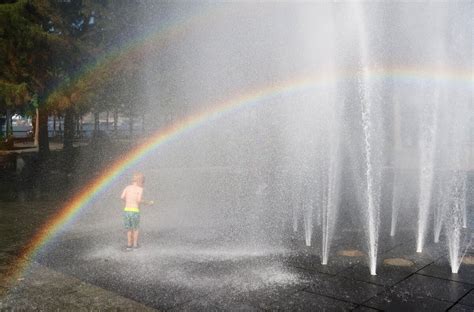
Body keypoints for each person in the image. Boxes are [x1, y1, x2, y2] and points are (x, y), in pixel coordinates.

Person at [121, 172, 153, 250]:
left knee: (129, 229)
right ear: (140, 181)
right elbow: (138, 200)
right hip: (135, 211)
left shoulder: (127, 187)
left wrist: (127, 202)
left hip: (126, 211)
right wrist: (148, 203)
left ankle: (129, 245)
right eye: (143, 182)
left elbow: (122, 197)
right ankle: (135, 245)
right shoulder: (140, 189)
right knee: (135, 229)